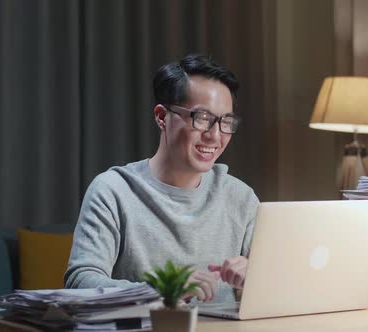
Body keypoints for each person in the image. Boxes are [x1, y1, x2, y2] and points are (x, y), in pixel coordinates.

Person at [64, 54, 260, 303]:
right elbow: (80, 281)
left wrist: (254, 278)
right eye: (202, 118)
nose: (215, 136)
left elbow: (276, 288)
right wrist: (164, 290)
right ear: (161, 116)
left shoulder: (241, 198)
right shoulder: (113, 191)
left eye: (226, 122)